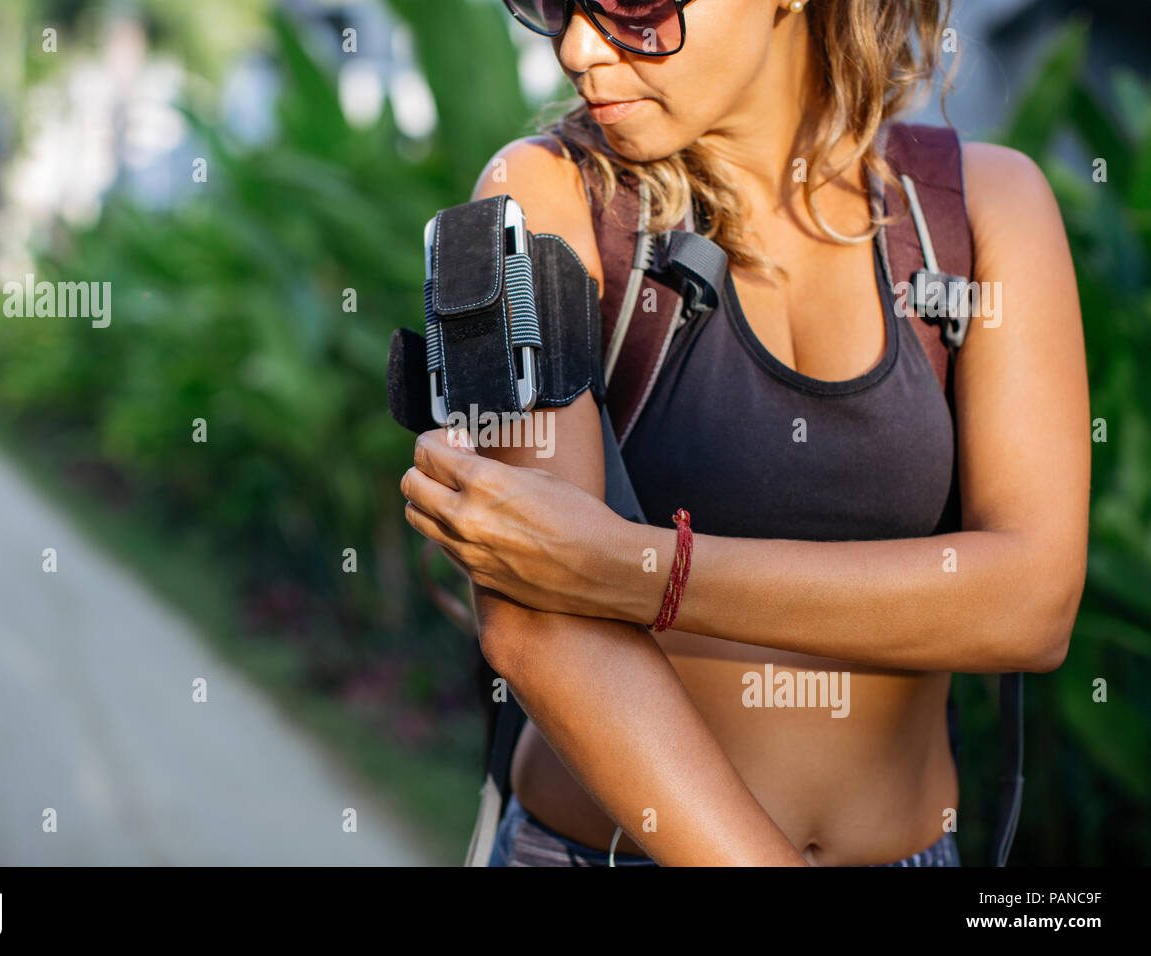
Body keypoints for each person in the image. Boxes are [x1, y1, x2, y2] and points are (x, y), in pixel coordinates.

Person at [400, 0, 1089, 866]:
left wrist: (632, 568)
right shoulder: (533, 198)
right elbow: (535, 623)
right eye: (553, 4)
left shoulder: (982, 206)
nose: (577, 47)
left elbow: (1031, 602)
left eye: (631, 6)